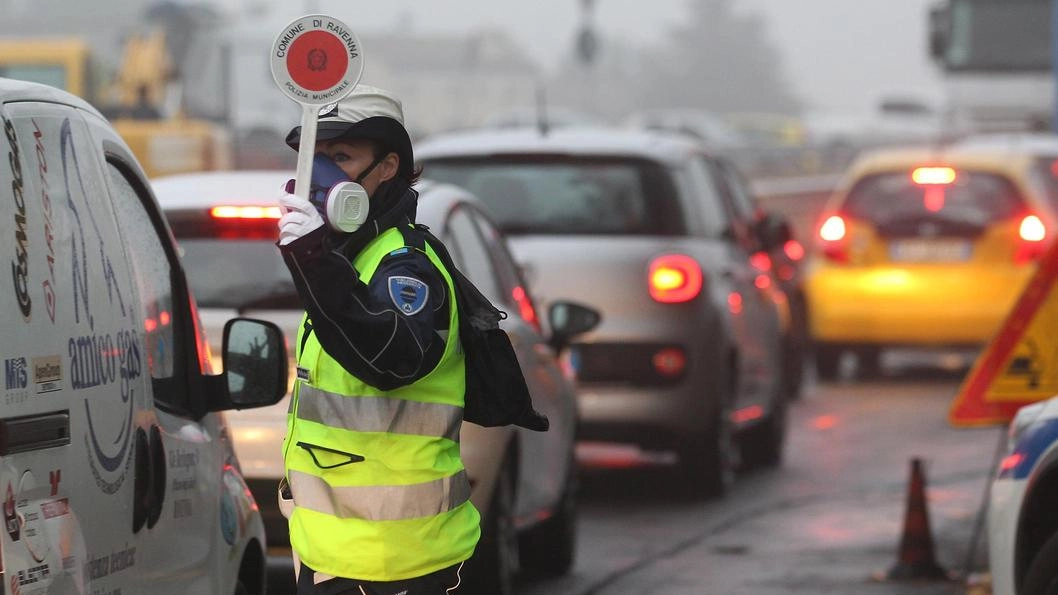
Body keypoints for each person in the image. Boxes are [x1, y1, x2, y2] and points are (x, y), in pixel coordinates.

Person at [276, 85, 478, 595]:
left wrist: (315, 262)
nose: (321, 173)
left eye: (340, 157)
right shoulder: (350, 259)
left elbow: (389, 359)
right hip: (338, 556)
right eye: (314, 158)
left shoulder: (402, 265)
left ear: (387, 168)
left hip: (399, 564)